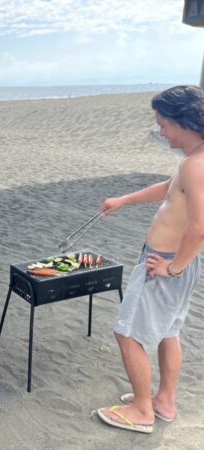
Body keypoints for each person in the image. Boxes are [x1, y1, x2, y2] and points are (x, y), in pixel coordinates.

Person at [96, 85, 204, 434]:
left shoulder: (197, 166)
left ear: (184, 122)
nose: (160, 131)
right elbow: (169, 188)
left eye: (164, 124)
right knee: (169, 332)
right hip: (177, 263)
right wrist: (124, 199)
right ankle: (163, 401)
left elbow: (200, 226)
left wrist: (173, 268)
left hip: (167, 264)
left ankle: (142, 410)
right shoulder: (193, 161)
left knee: (127, 334)